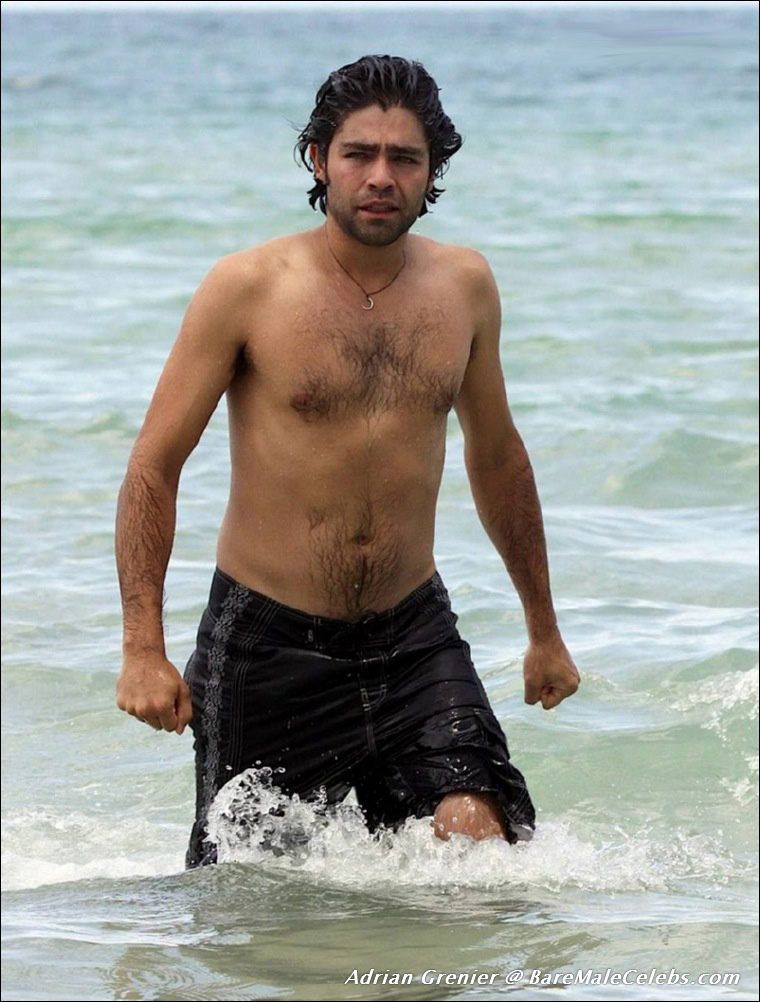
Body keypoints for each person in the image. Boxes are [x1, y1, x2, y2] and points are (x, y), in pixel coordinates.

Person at [115, 55, 580, 868]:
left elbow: (499, 458)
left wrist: (544, 630)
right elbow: (155, 465)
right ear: (318, 159)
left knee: (481, 838)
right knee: (258, 892)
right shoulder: (247, 287)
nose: (380, 177)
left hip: (414, 633)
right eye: (359, 153)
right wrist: (141, 649)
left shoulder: (465, 286)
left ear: (432, 171)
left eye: (405, 158)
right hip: (267, 643)